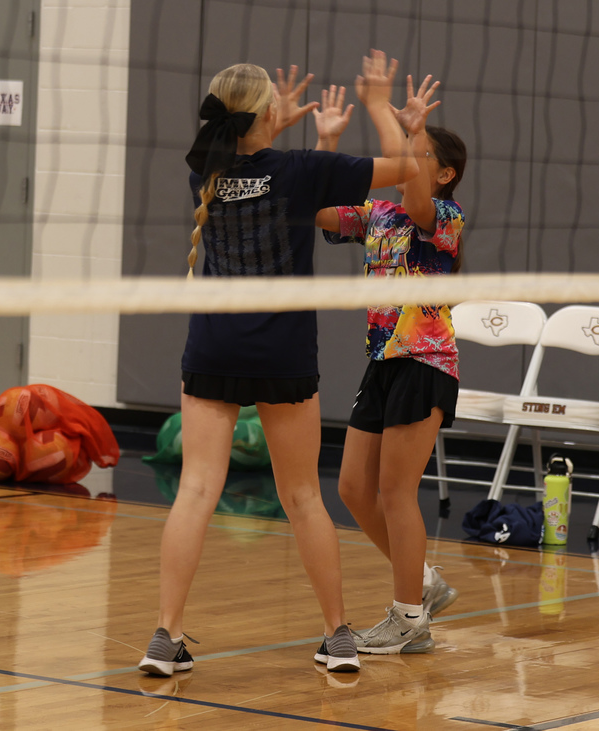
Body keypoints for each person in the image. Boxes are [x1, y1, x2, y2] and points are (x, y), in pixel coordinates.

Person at [137, 52, 419, 677]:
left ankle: (165, 637)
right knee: (301, 496)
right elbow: (411, 169)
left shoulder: (202, 174)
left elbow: (246, 166)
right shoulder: (307, 170)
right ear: (268, 113)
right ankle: (337, 636)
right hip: (284, 353)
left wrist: (271, 125)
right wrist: (379, 106)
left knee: (196, 491)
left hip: (212, 348)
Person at [315, 73, 467, 654]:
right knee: (354, 487)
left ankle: (410, 619)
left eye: (421, 153)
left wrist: (396, 118)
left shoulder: (443, 217)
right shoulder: (379, 215)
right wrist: (326, 145)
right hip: (381, 360)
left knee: (397, 491)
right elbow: (321, 211)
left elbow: (413, 191)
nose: (407, 158)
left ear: (444, 172)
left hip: (424, 359)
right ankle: (424, 580)